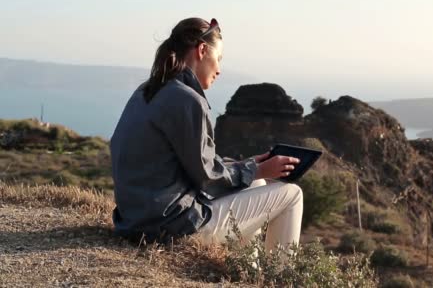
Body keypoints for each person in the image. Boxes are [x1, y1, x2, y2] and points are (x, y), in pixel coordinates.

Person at [110, 17, 303, 253]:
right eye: (218, 59)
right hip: (168, 227)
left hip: (135, 221)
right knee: (292, 194)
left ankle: (248, 273)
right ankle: (280, 277)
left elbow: (192, 165)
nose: (219, 69)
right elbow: (207, 177)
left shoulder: (147, 90)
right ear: (202, 50)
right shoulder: (187, 99)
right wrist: (260, 168)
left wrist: (247, 167)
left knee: (257, 183)